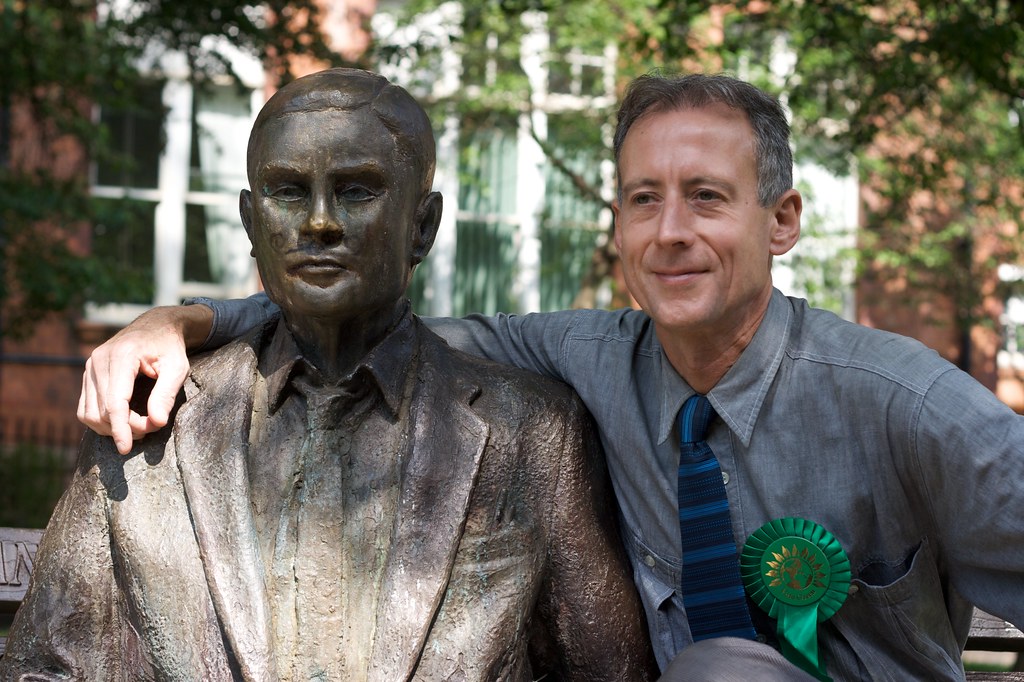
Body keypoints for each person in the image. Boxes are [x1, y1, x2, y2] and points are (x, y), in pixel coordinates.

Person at [75, 71, 1024, 680]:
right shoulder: (584, 361)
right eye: (643, 200)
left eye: (707, 198)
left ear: (782, 221)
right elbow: (367, 307)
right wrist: (181, 319)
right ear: (616, 228)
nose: (671, 232)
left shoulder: (905, 402)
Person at [1, 68, 658, 681]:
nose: (320, 221)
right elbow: (45, 669)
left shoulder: (533, 435)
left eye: (357, 191)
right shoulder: (149, 425)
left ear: (422, 227)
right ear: (252, 224)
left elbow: (609, 673)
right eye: (288, 191)